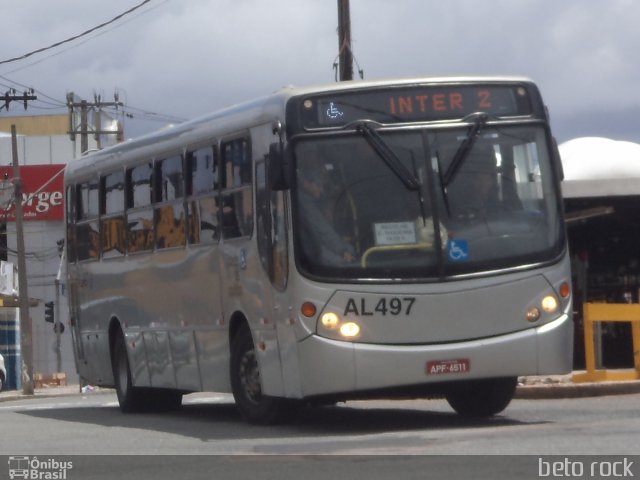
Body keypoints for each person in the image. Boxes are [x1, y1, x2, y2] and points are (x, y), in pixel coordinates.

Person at [297, 165, 355, 265]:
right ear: (306, 184)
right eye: (318, 185)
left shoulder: (316, 199)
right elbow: (322, 230)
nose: (321, 189)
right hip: (310, 248)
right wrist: (343, 251)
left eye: (322, 186)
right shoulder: (304, 202)